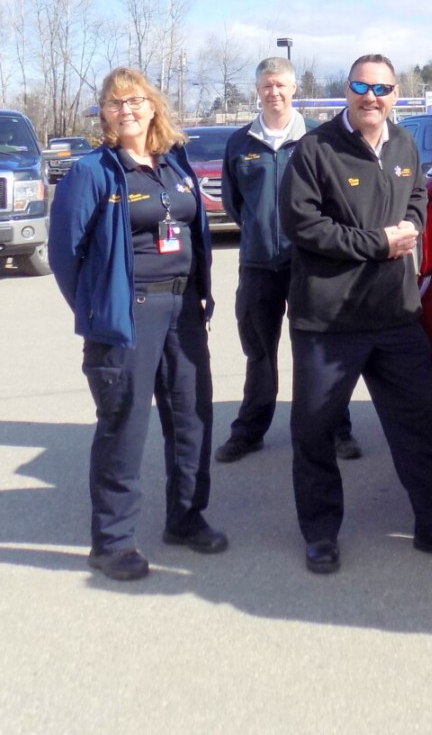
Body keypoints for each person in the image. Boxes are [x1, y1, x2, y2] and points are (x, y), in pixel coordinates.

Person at [279, 53, 432, 575]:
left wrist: (410, 223)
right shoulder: (315, 149)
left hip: (394, 316)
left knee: (418, 428)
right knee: (315, 431)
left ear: (395, 95)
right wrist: (377, 243)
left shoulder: (405, 145)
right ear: (347, 90)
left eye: (382, 89)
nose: (371, 97)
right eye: (361, 86)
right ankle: (321, 535)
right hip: (328, 322)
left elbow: (418, 194)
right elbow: (301, 225)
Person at [48, 67, 228, 581]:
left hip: (183, 308)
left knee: (192, 419)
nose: (126, 110)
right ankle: (112, 542)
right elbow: (64, 255)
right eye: (115, 102)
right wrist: (99, 309)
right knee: (124, 428)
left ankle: (186, 518)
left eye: (135, 101)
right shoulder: (92, 173)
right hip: (130, 315)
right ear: (104, 114)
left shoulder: (174, 162)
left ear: (153, 107)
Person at [214, 57, 360, 464]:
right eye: (266, 85)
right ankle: (249, 432)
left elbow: (338, 199)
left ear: (294, 88)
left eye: (280, 84)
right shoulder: (240, 143)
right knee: (259, 354)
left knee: (319, 353)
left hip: (309, 265)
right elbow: (234, 203)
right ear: (257, 90)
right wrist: (260, 229)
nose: (273, 92)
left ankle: (337, 430)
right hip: (258, 265)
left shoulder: (320, 137)